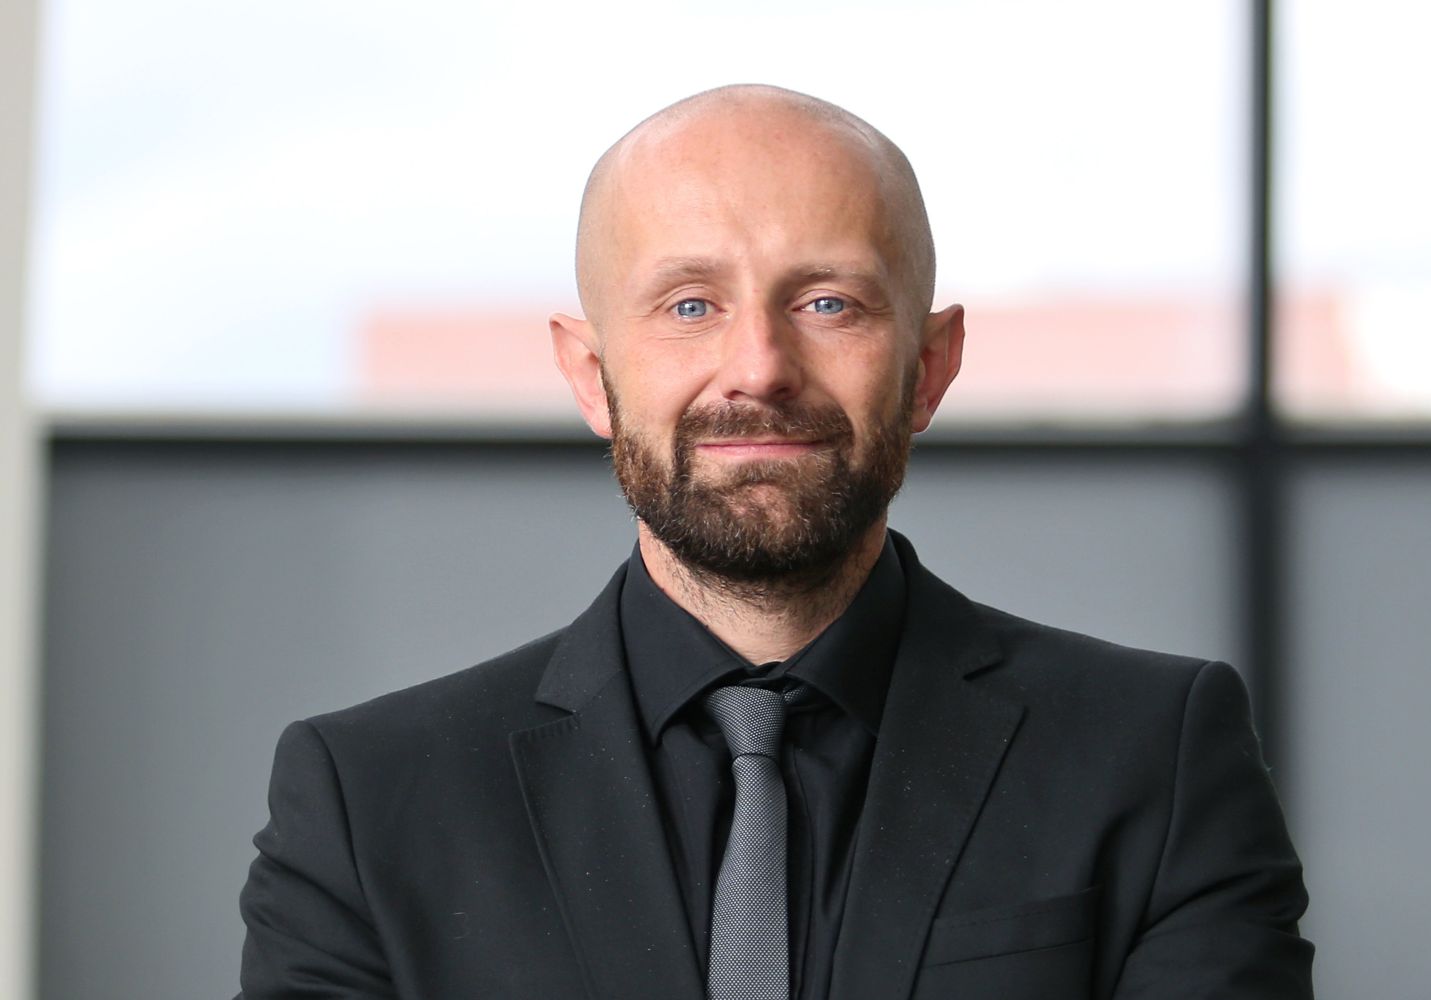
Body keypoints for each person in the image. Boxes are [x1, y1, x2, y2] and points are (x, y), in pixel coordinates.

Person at [237, 84, 1313, 999]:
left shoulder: (1154, 756)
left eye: (829, 302)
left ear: (930, 367)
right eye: (689, 304)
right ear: (590, 375)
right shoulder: (367, 802)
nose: (758, 367)